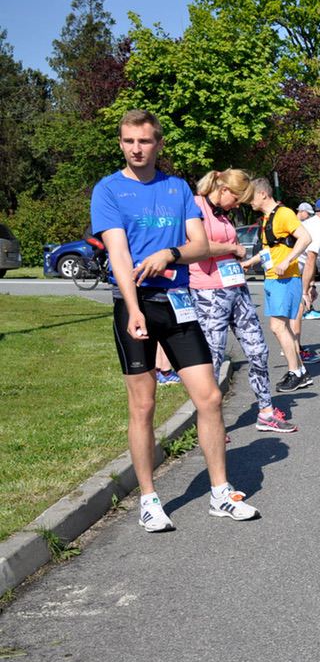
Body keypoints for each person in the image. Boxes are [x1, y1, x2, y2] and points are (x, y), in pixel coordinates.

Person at [92, 109, 259, 532]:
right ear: (121, 143)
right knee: (143, 404)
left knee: (210, 397)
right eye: (129, 141)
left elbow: (200, 244)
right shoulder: (109, 189)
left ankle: (220, 493)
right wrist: (133, 309)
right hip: (136, 302)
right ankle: (149, 500)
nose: (136, 149)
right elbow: (119, 254)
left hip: (178, 301)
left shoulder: (177, 188)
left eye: (144, 141)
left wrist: (170, 254)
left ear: (158, 144)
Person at [189, 169, 297, 434]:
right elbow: (198, 247)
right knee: (213, 357)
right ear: (224, 189)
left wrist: (238, 258)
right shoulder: (196, 206)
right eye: (237, 199)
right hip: (209, 292)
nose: (238, 205)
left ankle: (266, 412)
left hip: (236, 287)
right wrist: (232, 249)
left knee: (258, 350)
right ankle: (212, 424)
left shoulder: (223, 214)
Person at [241, 178, 313, 392]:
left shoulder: (284, 214)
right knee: (284, 328)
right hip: (273, 278)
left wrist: (287, 261)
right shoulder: (267, 219)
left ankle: (295, 373)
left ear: (263, 194)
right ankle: (300, 371)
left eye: (251, 196)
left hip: (285, 279)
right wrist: (250, 262)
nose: (248, 200)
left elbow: (305, 238)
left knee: (277, 327)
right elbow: (268, 251)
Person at [291, 196, 320, 365]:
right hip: (293, 272)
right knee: (298, 310)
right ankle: (296, 352)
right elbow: (310, 259)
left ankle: (291, 347)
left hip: (292, 270)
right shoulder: (316, 228)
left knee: (293, 313)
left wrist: (311, 285)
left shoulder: (310, 223)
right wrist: (305, 291)